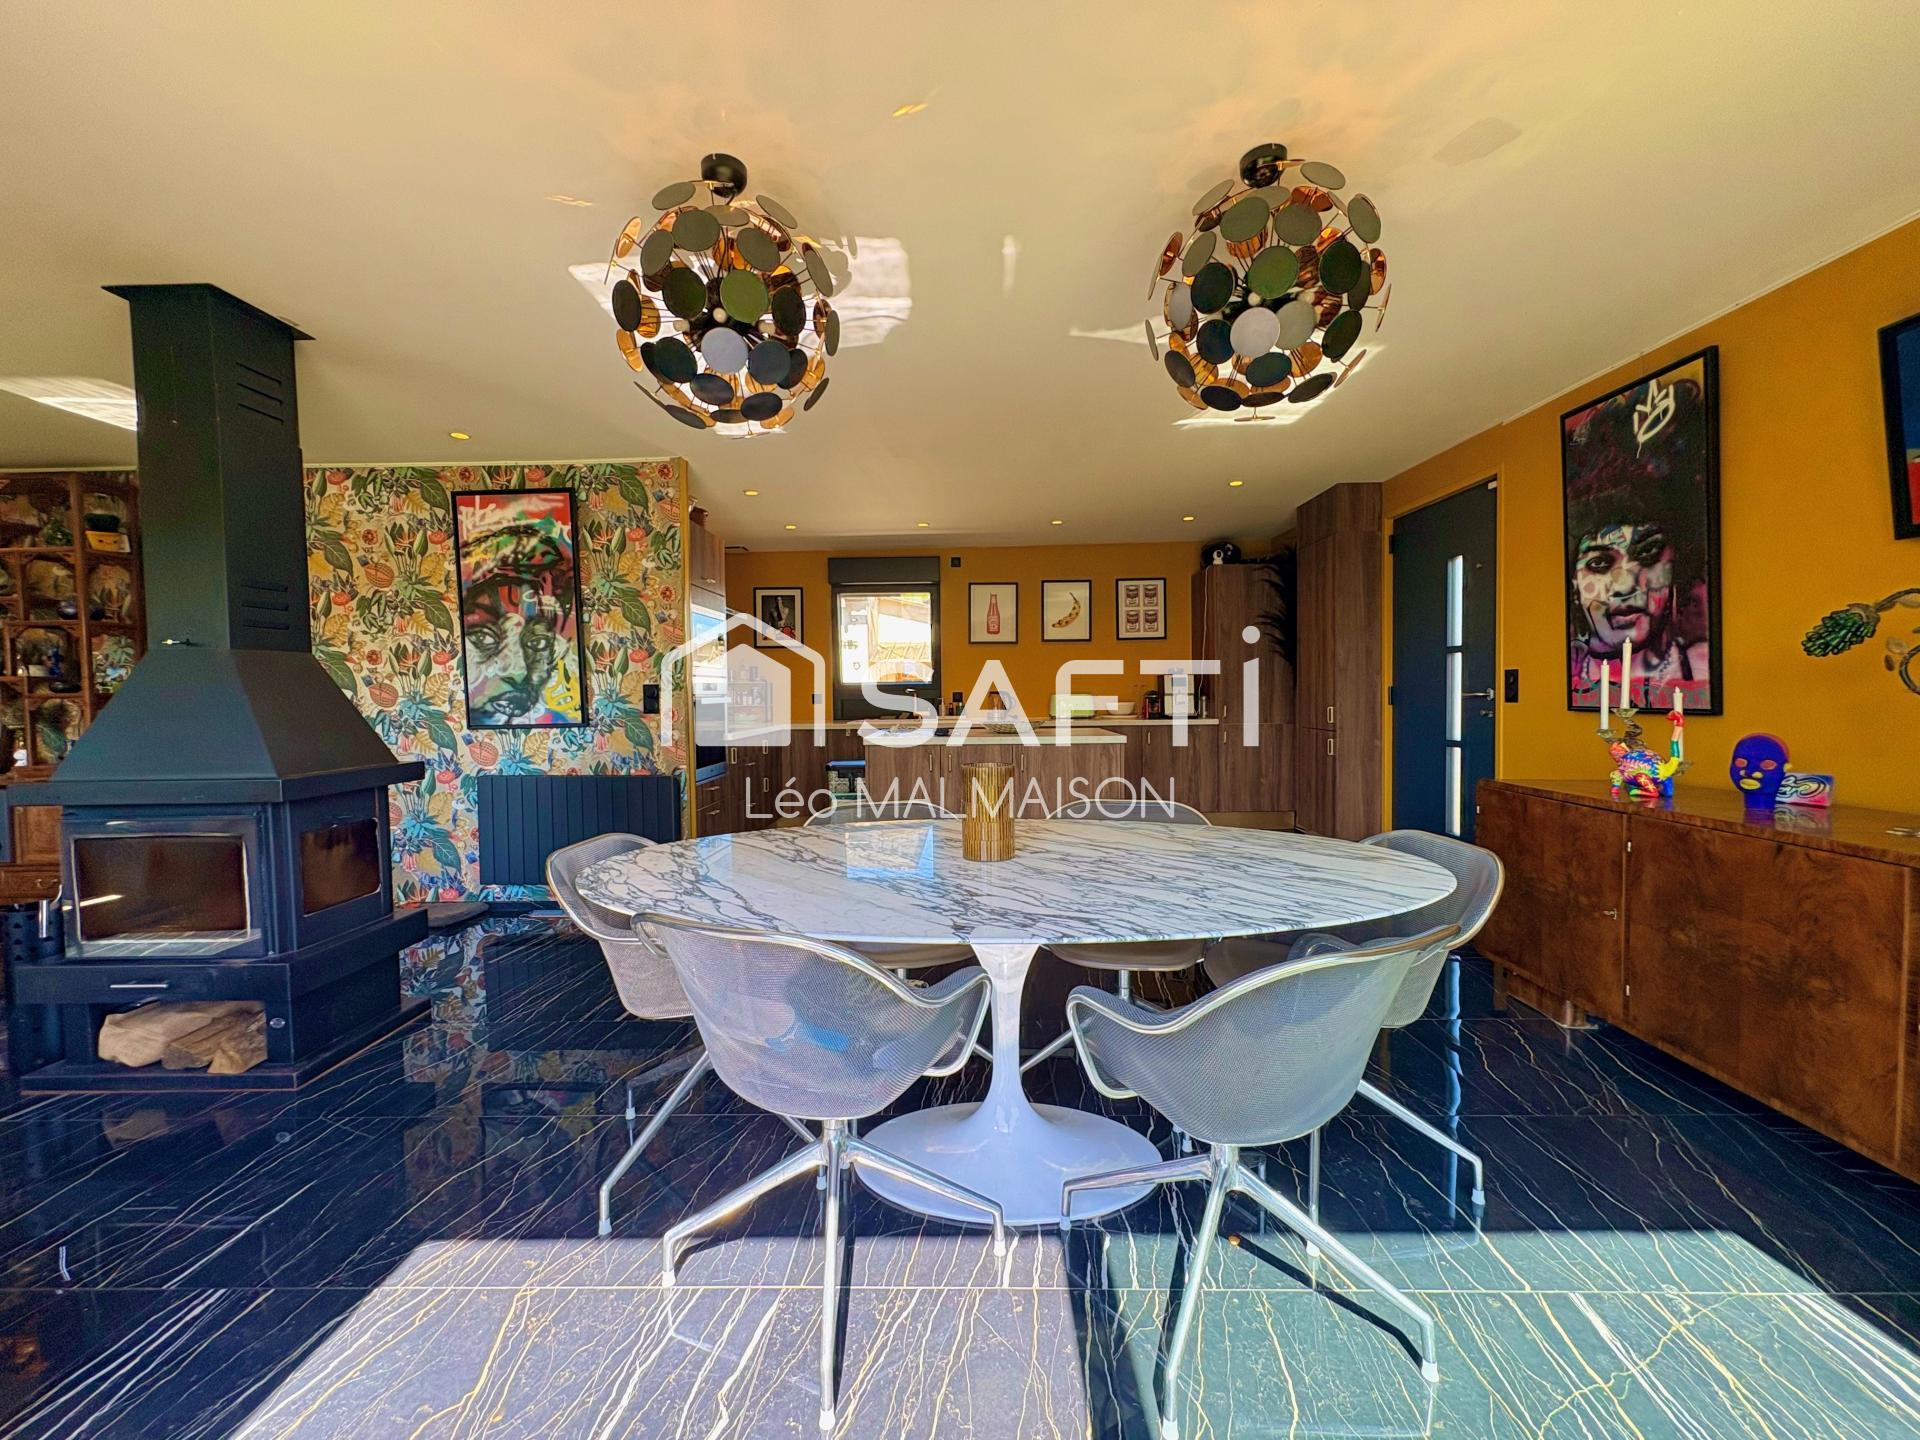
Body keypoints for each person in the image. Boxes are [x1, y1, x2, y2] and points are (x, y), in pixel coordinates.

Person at [1564, 367, 1713, 710]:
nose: (1624, 585)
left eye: (1647, 554)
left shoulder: (1700, 667)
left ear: (1677, 564)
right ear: (1574, 583)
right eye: (1600, 563)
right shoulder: (1570, 670)